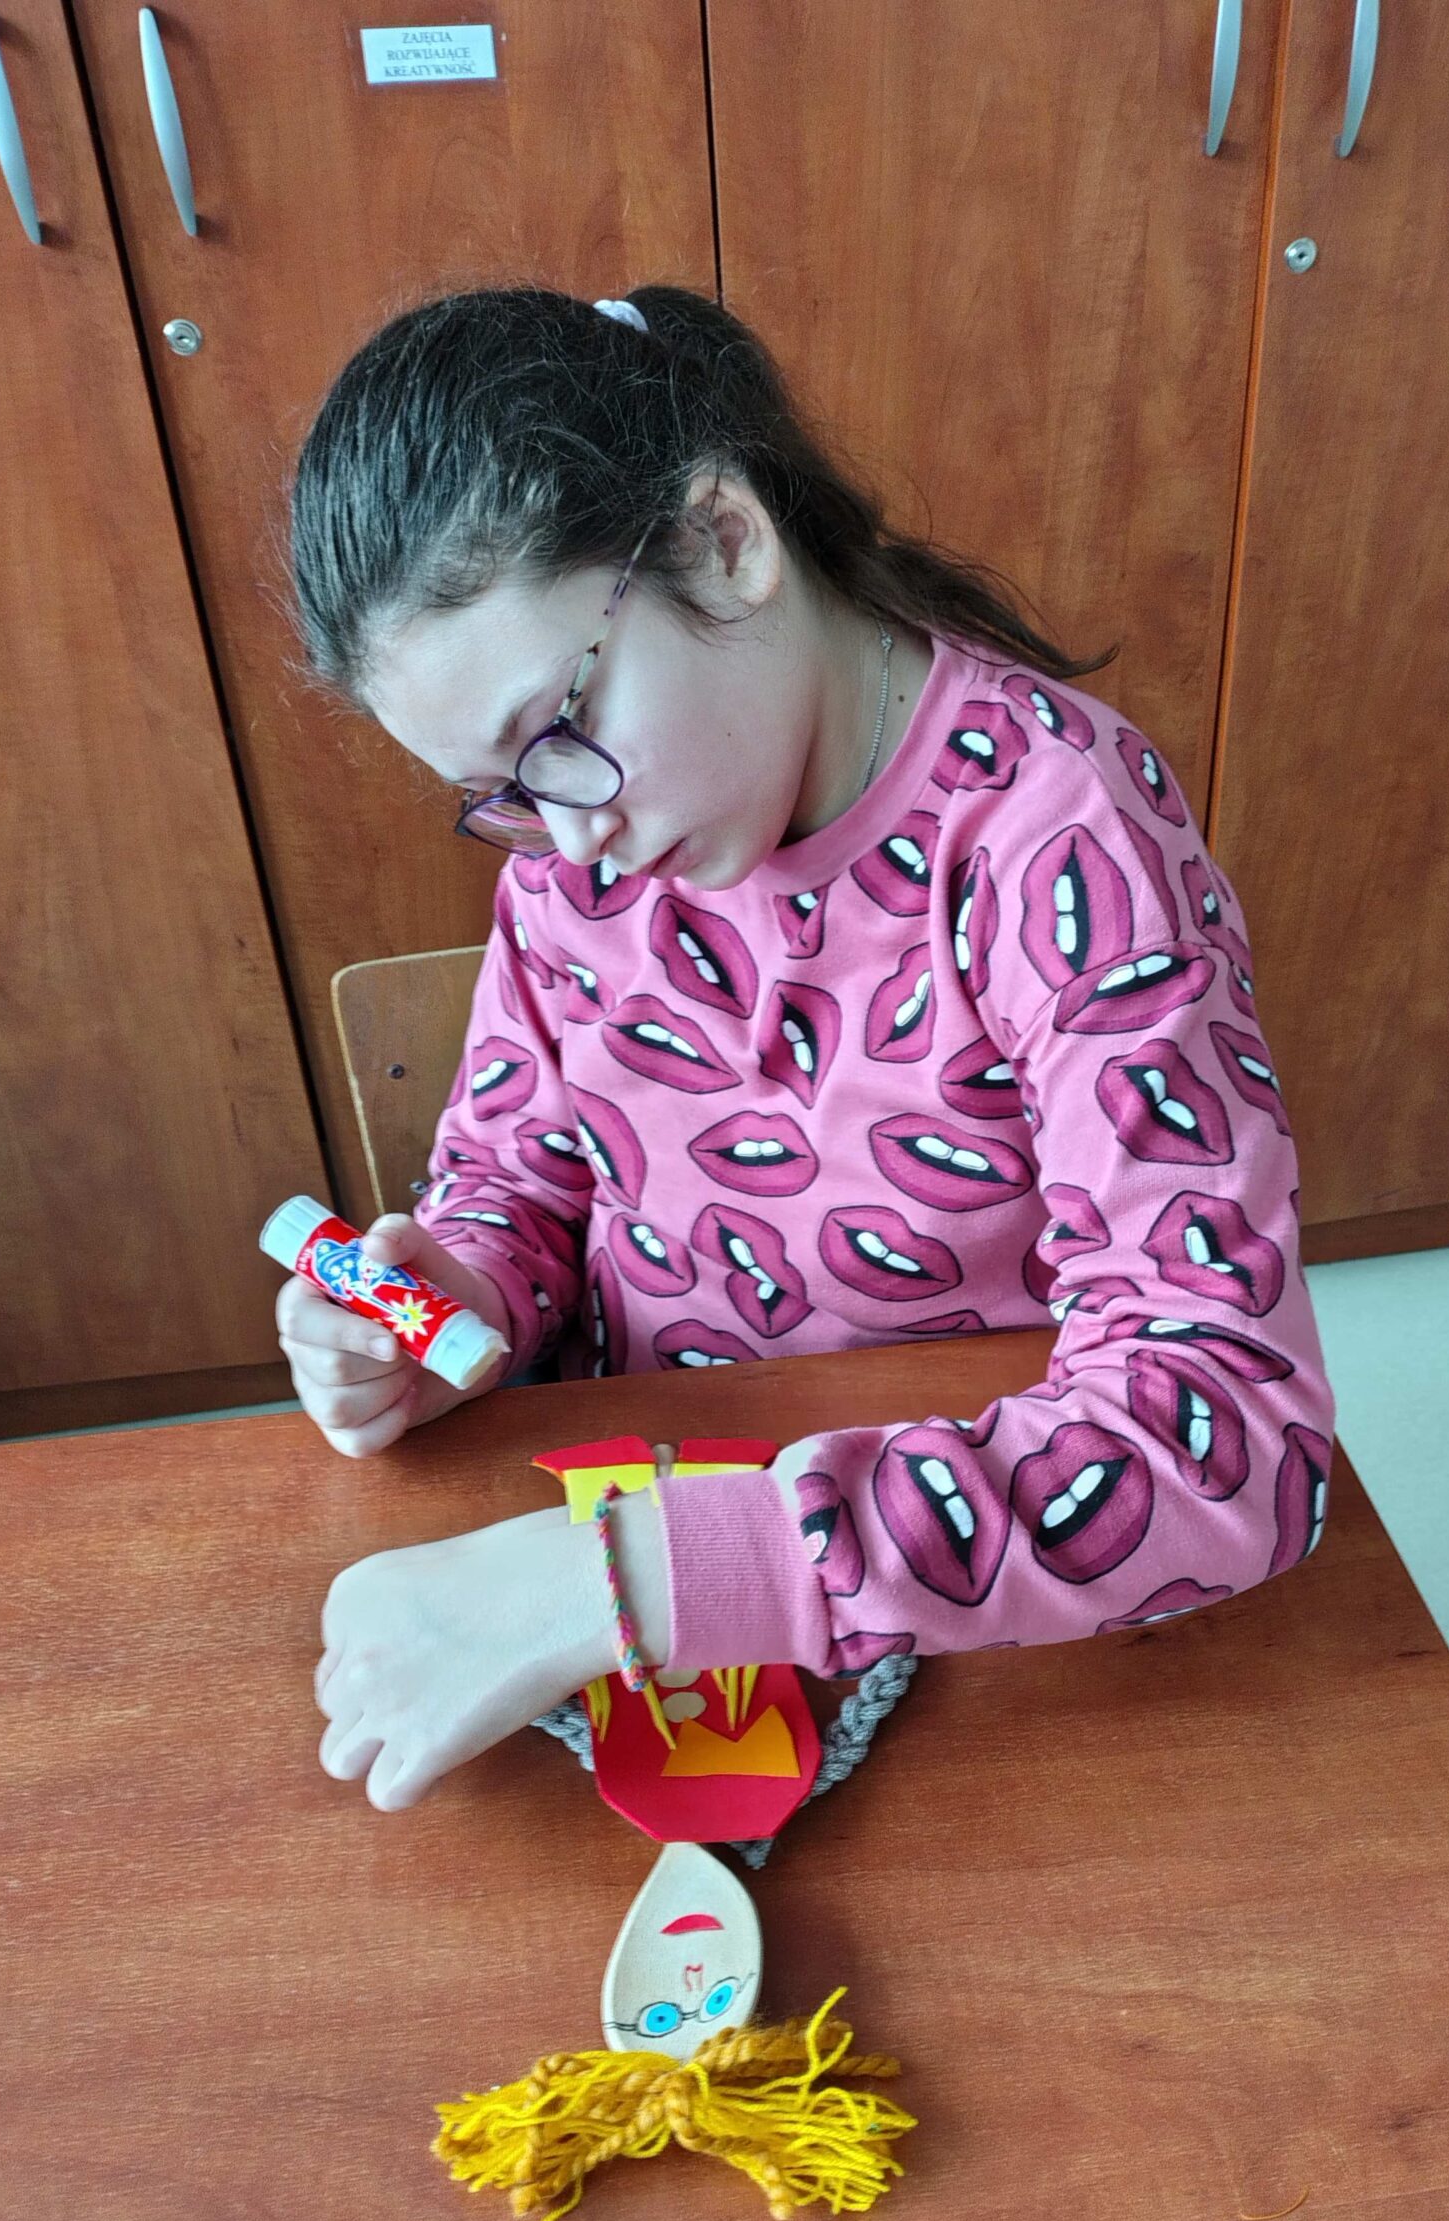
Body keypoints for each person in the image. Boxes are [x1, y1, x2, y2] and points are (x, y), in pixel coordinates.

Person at [278, 284, 1335, 1815]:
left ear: (724, 541)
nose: (567, 838)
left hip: (964, 1605)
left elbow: (1219, 1430)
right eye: (497, 794)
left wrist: (619, 1581)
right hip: (635, 1562)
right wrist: (454, 1303)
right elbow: (523, 1175)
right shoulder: (584, 853)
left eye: (558, 733)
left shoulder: (1056, 837)